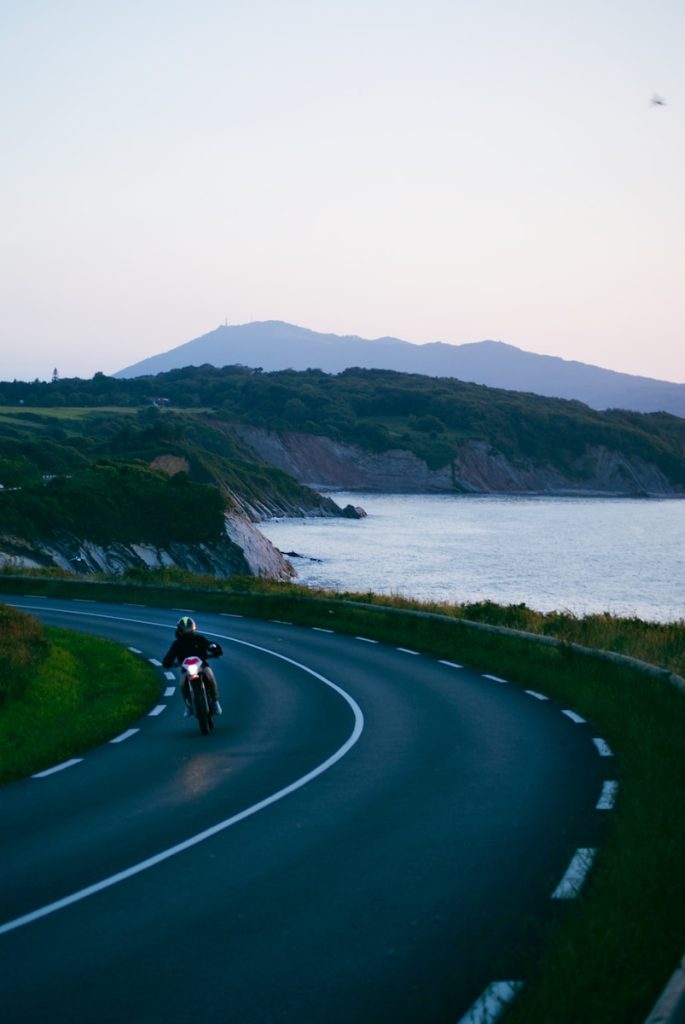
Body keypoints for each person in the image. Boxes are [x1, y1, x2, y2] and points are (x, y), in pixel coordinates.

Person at [162, 616, 223, 717]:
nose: (187, 630)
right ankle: (189, 705)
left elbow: (209, 645)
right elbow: (170, 655)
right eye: (184, 628)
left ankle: (215, 701)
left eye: (189, 628)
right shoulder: (177, 644)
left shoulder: (199, 639)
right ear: (179, 629)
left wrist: (215, 649)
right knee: (182, 684)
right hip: (186, 669)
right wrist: (167, 662)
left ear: (193, 627)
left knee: (210, 676)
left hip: (202, 666)